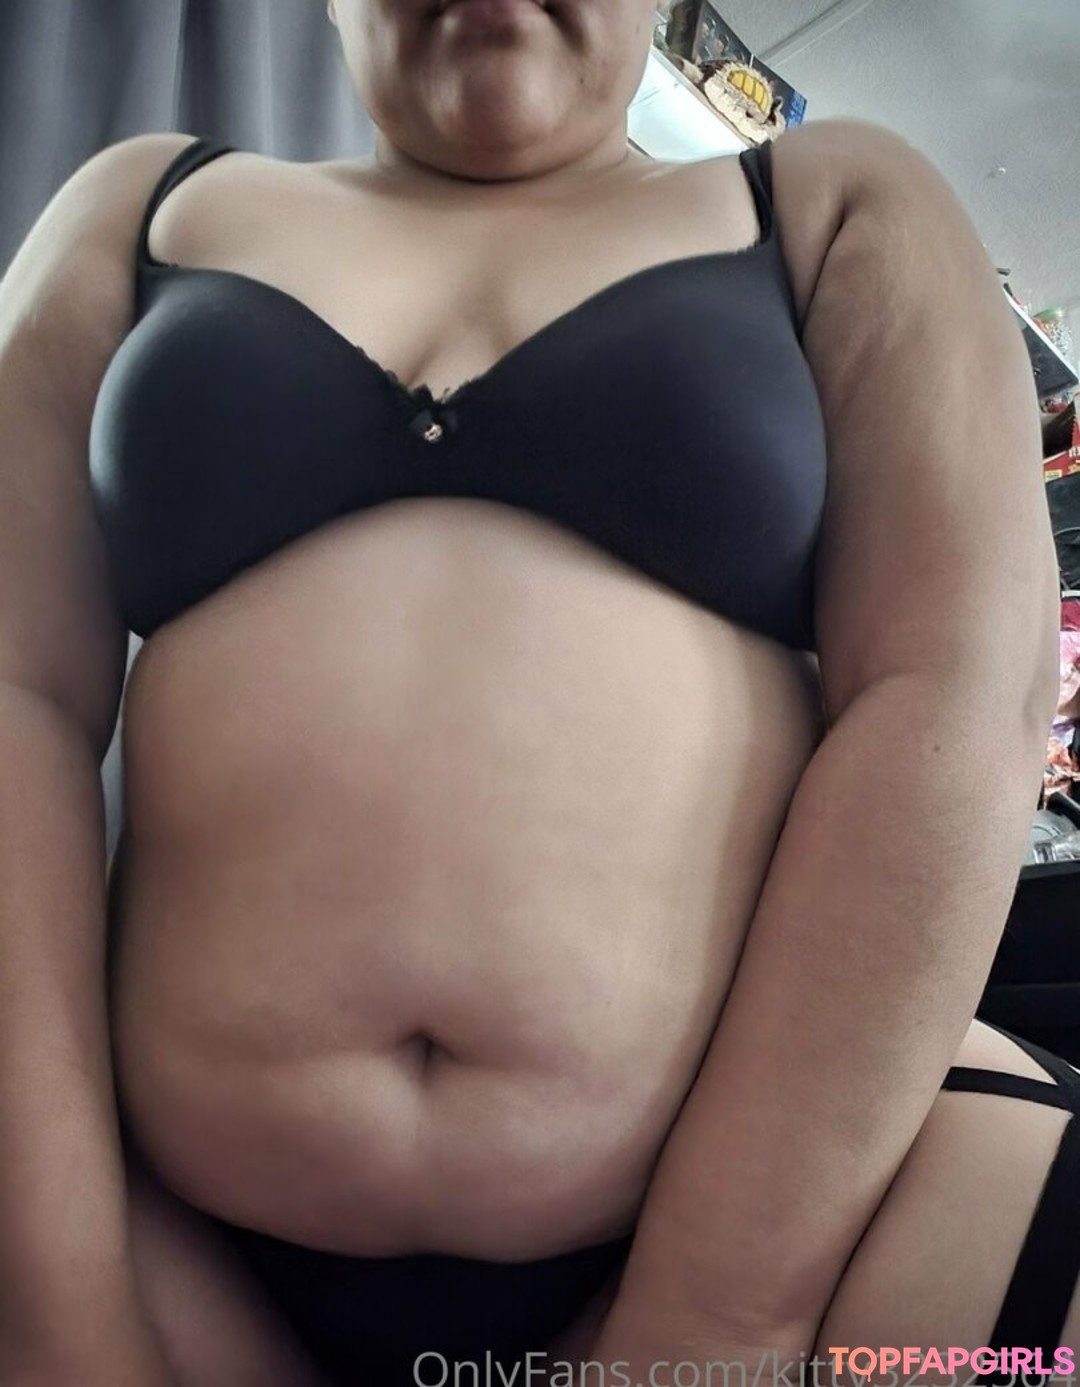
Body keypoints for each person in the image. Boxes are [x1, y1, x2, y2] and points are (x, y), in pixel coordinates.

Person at [0, 0, 1075, 1383]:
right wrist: (58, 1300)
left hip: (794, 1238)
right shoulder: (140, 211)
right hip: (157, 1230)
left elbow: (960, 700)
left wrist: (715, 1317)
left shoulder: (834, 206)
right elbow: (15, 693)